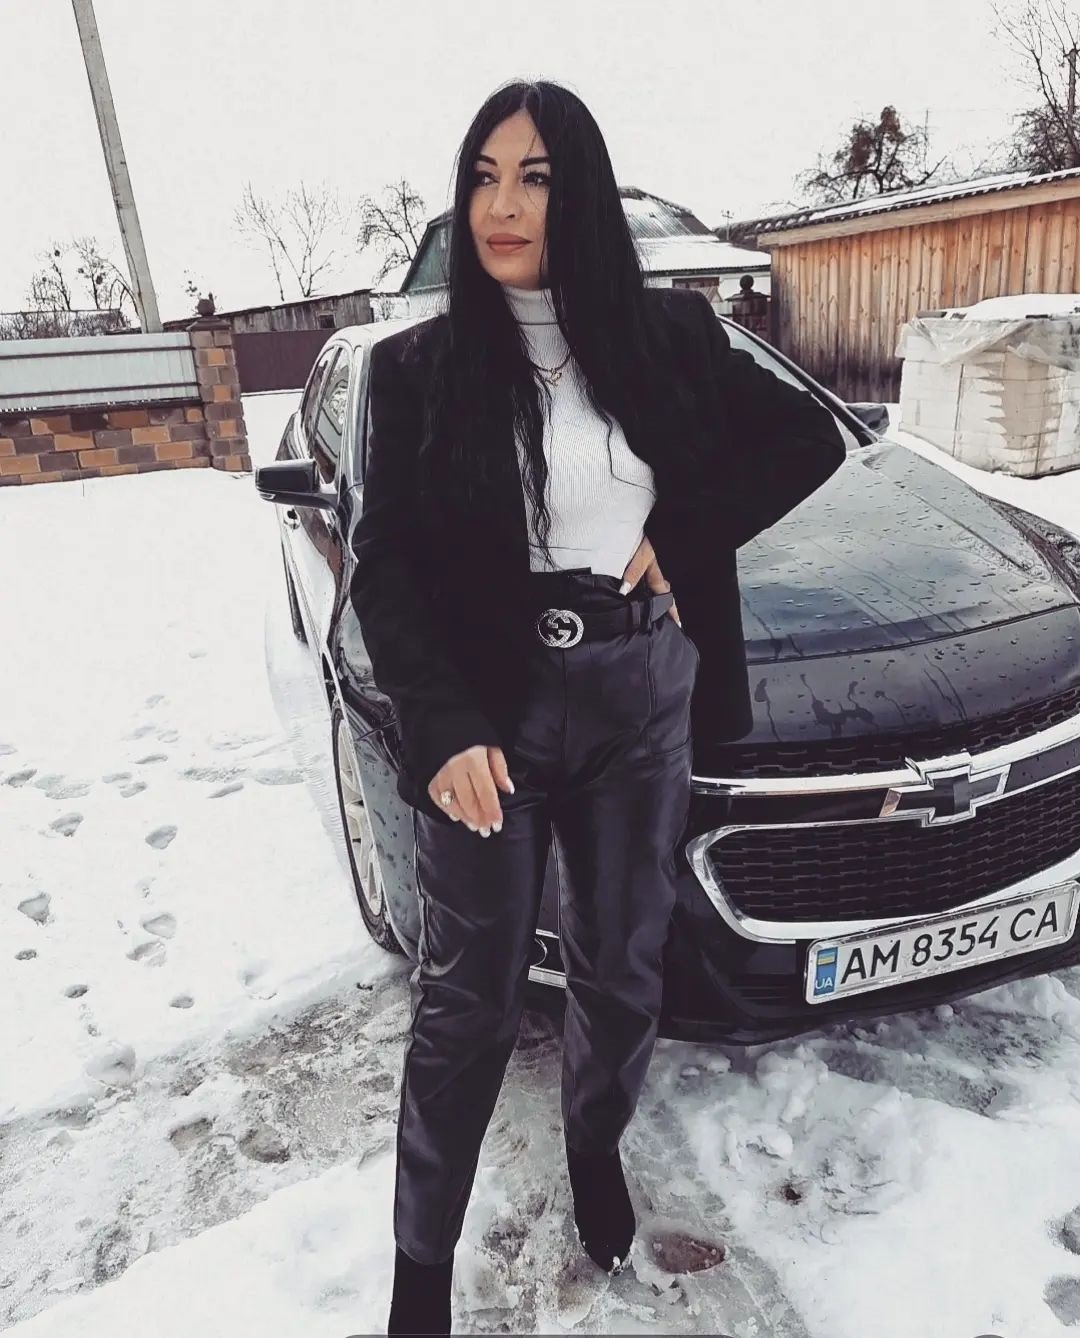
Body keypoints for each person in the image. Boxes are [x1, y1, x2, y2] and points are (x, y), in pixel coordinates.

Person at [348, 78, 847, 1336]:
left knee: (623, 969)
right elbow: (384, 562)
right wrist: (443, 722)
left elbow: (809, 439)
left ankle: (593, 1147)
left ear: (580, 194)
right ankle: (419, 1269)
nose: (502, 204)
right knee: (469, 1000)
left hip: (638, 694)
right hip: (491, 708)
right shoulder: (416, 367)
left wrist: (685, 531)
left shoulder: (666, 335)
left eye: (534, 176)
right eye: (483, 176)